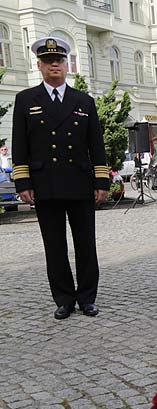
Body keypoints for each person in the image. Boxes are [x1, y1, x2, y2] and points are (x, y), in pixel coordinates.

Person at [11, 36, 109, 320]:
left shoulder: (84, 101)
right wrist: (23, 182)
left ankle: (87, 297)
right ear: (40, 66)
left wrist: (101, 182)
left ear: (67, 66)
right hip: (46, 184)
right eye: (49, 61)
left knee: (85, 245)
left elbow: (96, 145)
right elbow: (20, 145)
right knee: (54, 246)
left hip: (79, 183)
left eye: (60, 61)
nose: (55, 65)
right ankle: (64, 299)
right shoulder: (26, 100)